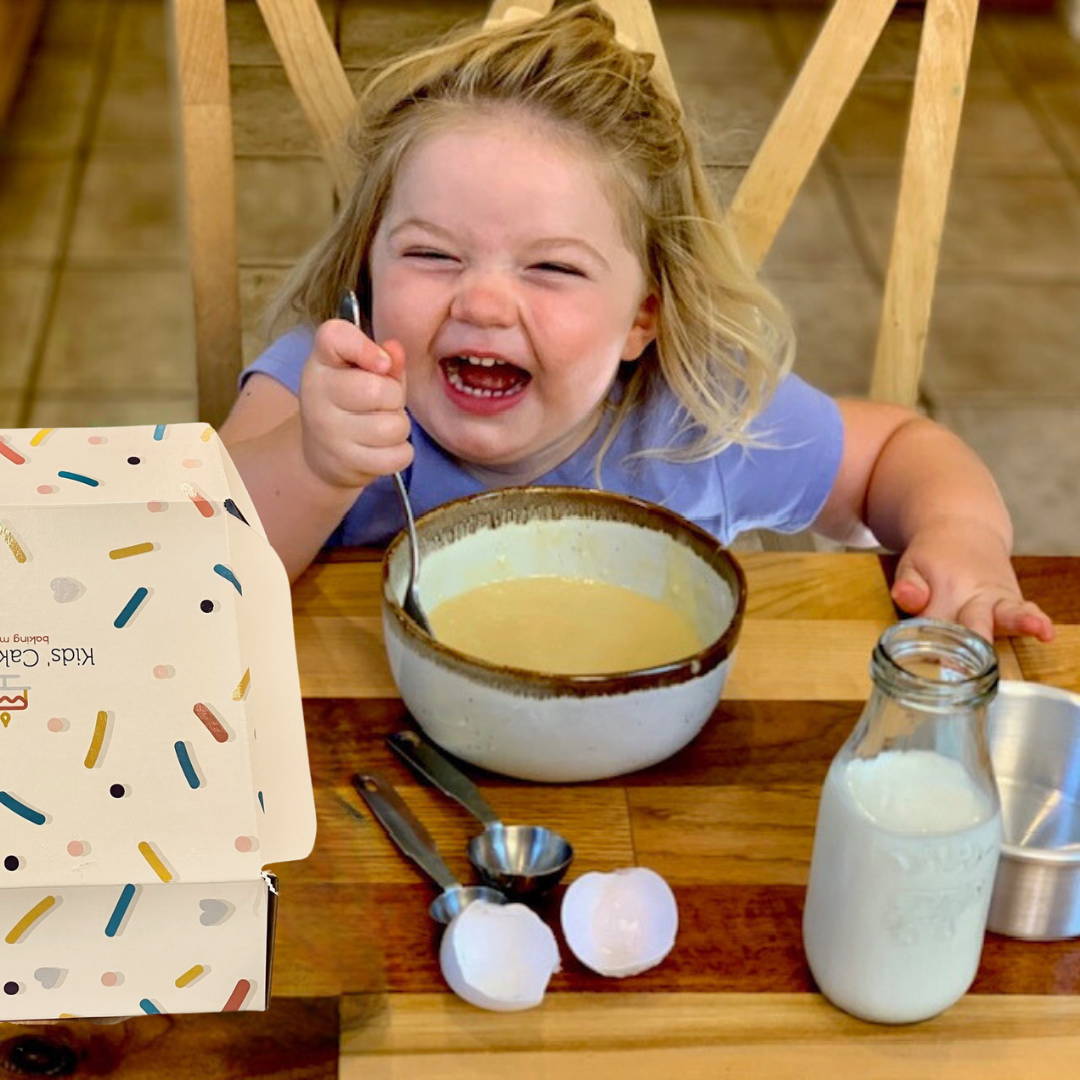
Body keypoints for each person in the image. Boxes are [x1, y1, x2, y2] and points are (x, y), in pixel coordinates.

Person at [220, 2, 1052, 645]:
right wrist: (313, 462)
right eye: (432, 256)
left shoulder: (693, 417)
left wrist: (962, 533)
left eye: (551, 268)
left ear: (641, 319)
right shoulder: (323, 394)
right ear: (367, 267)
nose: (479, 303)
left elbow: (894, 455)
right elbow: (203, 565)